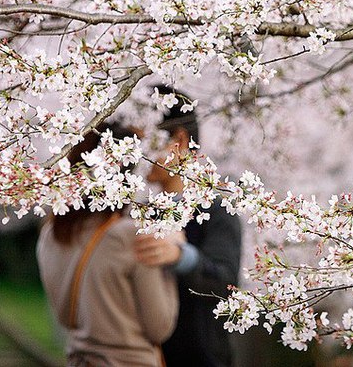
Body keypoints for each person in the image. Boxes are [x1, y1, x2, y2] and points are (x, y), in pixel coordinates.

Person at [36, 123, 178, 367]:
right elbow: (160, 326)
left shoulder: (51, 233)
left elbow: (63, 315)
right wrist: (173, 252)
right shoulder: (132, 234)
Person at [134, 86, 242, 367]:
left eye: (145, 142)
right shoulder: (141, 211)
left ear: (178, 141)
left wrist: (180, 257)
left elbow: (226, 282)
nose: (136, 154)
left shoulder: (218, 211)